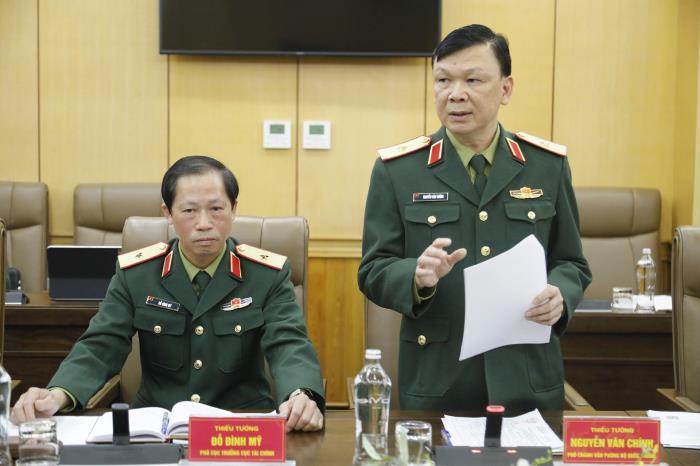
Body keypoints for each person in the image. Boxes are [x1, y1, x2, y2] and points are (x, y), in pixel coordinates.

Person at [358, 24, 592, 411]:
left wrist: (561, 295)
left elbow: (571, 262)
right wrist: (416, 276)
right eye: (443, 80)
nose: (455, 94)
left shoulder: (546, 166)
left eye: (472, 80)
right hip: (438, 381)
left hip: (527, 379)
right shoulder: (398, 170)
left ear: (506, 89)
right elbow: (372, 270)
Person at [12, 155, 325, 431]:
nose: (204, 223)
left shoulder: (266, 274)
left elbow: (289, 343)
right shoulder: (136, 274)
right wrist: (59, 393)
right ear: (168, 213)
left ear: (234, 209)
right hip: (158, 426)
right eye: (189, 210)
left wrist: (301, 393)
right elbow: (100, 345)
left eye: (216, 209)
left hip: (238, 424)